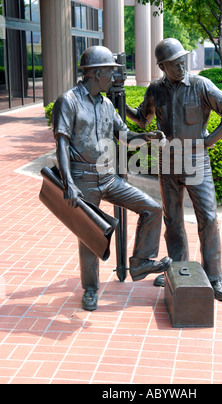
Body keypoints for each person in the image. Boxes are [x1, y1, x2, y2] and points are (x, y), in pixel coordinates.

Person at [52, 45, 172, 311]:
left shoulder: (107, 104)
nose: (115, 79)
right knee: (89, 235)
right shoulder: (68, 101)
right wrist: (68, 183)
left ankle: (140, 262)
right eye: (110, 73)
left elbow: (124, 136)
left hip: (108, 177)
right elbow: (61, 143)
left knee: (152, 208)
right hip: (82, 179)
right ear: (95, 74)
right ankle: (91, 289)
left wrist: (149, 138)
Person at [126, 38, 222, 301]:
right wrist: (118, 103)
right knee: (173, 220)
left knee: (208, 219)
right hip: (167, 163)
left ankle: (215, 279)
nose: (181, 66)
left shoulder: (201, 85)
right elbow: (143, 119)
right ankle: (178, 269)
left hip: (195, 160)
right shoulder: (156, 90)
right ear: (162, 67)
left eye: (182, 61)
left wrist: (208, 141)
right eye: (174, 64)